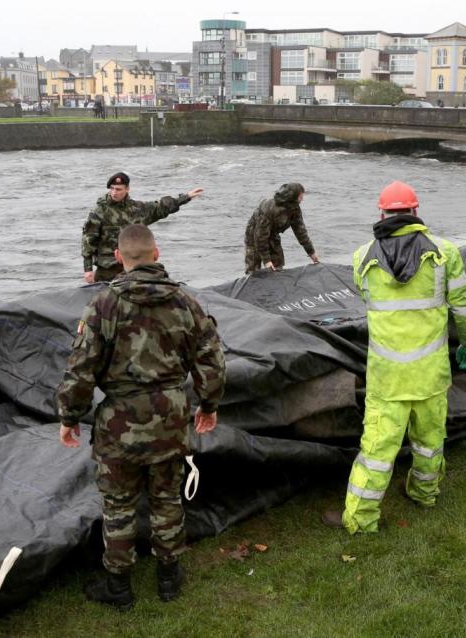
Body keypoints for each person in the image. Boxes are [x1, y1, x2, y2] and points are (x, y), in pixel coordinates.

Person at [57, 224, 226, 610]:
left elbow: (81, 369)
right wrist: (209, 405)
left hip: (120, 424)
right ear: (157, 252)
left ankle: (119, 585)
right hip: (170, 417)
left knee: (118, 504)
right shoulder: (186, 302)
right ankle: (169, 576)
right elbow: (212, 361)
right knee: (167, 496)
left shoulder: (103, 305)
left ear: (119, 257)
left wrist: (69, 416)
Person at [322, 181, 466, 534]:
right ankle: (424, 494)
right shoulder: (445, 253)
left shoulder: (362, 257)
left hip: (387, 376)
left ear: (381, 213)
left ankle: (361, 519)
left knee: (377, 450)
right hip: (430, 373)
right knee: (429, 440)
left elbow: (368, 300)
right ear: (416, 210)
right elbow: (465, 308)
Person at [81, 172, 204, 283]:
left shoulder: (138, 209)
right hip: (108, 269)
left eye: (118, 189)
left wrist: (186, 197)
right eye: (112, 189)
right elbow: (88, 241)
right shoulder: (99, 212)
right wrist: (88, 269)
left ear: (127, 189)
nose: (114, 192)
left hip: (135, 267)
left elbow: (161, 207)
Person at [243, 182, 320, 274]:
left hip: (273, 234)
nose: (302, 199)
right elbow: (260, 237)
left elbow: (300, 231)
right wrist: (267, 261)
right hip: (255, 235)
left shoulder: (294, 209)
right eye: (300, 197)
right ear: (292, 197)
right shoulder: (270, 208)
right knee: (254, 270)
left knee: (278, 267)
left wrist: (311, 252)